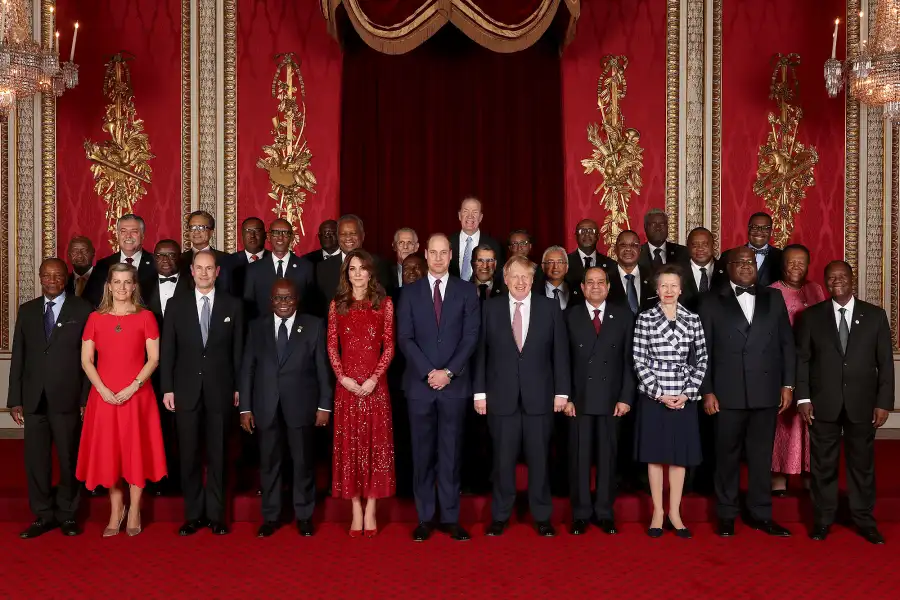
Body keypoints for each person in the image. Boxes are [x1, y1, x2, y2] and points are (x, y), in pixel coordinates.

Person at [699, 246, 795, 538]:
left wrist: (788, 384)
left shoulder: (773, 297)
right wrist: (707, 391)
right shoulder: (710, 301)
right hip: (727, 394)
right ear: (727, 268)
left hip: (765, 392)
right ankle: (727, 514)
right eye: (738, 262)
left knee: (760, 456)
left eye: (749, 262)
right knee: (726, 457)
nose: (745, 266)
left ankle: (760, 513)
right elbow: (701, 351)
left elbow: (787, 345)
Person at [796, 261, 894, 545]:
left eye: (841, 276)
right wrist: (803, 397)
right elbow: (802, 360)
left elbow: (885, 363)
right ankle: (823, 520)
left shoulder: (875, 316)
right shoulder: (811, 317)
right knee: (823, 466)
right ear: (825, 283)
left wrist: (883, 402)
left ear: (852, 280)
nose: (836, 281)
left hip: (863, 404)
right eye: (830, 278)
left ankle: (864, 519)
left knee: (861, 465)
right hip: (822, 403)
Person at [474, 255, 570, 537]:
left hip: (539, 398)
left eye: (525, 276)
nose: (519, 282)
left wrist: (561, 393)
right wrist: (479, 393)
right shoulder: (489, 309)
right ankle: (500, 516)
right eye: (514, 276)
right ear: (505, 279)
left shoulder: (549, 308)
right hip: (500, 398)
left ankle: (542, 516)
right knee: (503, 461)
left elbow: (560, 354)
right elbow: (481, 353)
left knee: (539, 460)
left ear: (532, 280)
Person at [397, 234, 480, 542]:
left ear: (451, 255)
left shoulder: (466, 291)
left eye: (443, 253)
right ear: (426, 254)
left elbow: (471, 337)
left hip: (453, 386)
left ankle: (450, 518)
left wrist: (447, 372)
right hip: (419, 387)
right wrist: (429, 372)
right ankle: (424, 518)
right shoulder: (409, 292)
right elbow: (405, 338)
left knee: (451, 454)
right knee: (422, 455)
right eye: (433, 252)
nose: (438, 258)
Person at [76, 263, 167, 537]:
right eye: (117, 282)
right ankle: (116, 510)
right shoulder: (95, 318)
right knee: (110, 454)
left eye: (127, 282)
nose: (122, 288)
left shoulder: (146, 317)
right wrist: (102, 389)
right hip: (103, 396)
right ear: (109, 286)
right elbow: (86, 360)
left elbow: (154, 358)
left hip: (137, 396)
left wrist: (134, 386)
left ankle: (135, 508)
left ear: (135, 286)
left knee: (135, 451)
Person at [239, 279, 333, 538]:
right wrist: (244, 408)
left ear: (297, 299)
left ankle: (304, 516)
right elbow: (248, 369)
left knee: (303, 463)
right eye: (278, 298)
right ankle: (270, 517)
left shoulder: (313, 326)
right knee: (269, 464)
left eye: (288, 298)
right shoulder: (256, 327)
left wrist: (325, 405)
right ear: (271, 301)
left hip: (302, 406)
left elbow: (323, 369)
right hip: (266, 406)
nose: (283, 303)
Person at [160, 251, 244, 536]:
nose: (205, 273)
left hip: (221, 390)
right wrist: (168, 388)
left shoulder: (234, 305)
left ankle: (217, 516)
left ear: (217, 272)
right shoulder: (176, 304)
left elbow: (239, 352)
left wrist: (238, 388)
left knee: (219, 454)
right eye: (200, 268)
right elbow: (167, 349)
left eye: (210, 268)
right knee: (189, 455)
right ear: (192, 272)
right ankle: (194, 515)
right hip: (185, 391)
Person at [9, 258, 93, 538]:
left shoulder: (82, 310)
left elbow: (91, 360)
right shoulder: (28, 310)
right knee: (36, 460)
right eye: (47, 275)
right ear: (40, 278)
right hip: (33, 400)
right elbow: (19, 357)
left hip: (68, 398)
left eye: (58, 275)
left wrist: (85, 398)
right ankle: (43, 515)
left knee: (69, 459)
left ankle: (68, 514)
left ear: (66, 278)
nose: (52, 280)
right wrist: (15, 399)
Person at [633, 264, 708, 538]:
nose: (668, 290)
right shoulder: (645, 319)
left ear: (681, 289)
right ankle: (657, 511)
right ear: (656, 289)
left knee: (679, 457)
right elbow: (639, 359)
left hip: (683, 394)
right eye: (663, 285)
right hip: (655, 395)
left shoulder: (693, 319)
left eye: (673, 285)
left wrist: (687, 393)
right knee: (655, 457)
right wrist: (658, 392)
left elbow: (702, 359)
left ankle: (675, 512)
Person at [327, 249, 396, 536]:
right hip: (347, 389)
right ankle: (355, 508)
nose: (357, 274)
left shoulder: (384, 304)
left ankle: (371, 509)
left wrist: (374, 378)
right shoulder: (337, 305)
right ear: (346, 273)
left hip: (375, 388)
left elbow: (390, 346)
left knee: (374, 448)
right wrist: (342, 378)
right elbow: (332, 346)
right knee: (351, 449)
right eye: (351, 269)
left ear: (371, 272)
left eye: (362, 268)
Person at [564, 266, 635, 536]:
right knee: (579, 458)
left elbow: (630, 361)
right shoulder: (569, 316)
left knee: (608, 458)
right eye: (590, 283)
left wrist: (626, 397)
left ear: (608, 286)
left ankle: (605, 512)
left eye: (600, 282)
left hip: (611, 400)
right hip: (578, 400)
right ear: (582, 287)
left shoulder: (624, 316)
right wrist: (566, 397)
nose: (595, 287)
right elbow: (562, 360)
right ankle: (581, 513)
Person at [768, 244, 826, 496]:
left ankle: (808, 476)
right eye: (791, 262)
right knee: (784, 422)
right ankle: (779, 479)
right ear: (782, 264)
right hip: (781, 365)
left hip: (813, 366)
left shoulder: (816, 289)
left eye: (801, 262)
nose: (796, 267)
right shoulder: (771, 292)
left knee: (811, 421)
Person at [144, 240, 192, 495]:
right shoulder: (141, 286)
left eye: (171, 255)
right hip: (148, 370)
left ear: (180, 259)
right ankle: (157, 476)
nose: (165, 259)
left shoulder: (193, 285)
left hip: (184, 367)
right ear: (153, 258)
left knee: (182, 427)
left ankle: (183, 478)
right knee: (155, 425)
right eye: (160, 255)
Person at [243, 218, 314, 322]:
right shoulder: (254, 269)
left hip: (297, 331)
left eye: (285, 233)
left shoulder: (306, 267)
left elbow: (311, 304)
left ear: (292, 237)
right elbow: (248, 307)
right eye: (276, 233)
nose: (280, 237)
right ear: (268, 236)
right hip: (263, 331)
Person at [315, 214, 390, 310]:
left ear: (363, 235)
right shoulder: (323, 268)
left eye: (353, 233)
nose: (348, 238)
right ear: (337, 237)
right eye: (343, 234)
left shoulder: (379, 264)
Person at [85, 214, 156, 307]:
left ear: (143, 235)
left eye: (134, 231)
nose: (128, 236)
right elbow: (93, 301)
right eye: (123, 231)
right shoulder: (103, 265)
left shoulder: (157, 263)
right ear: (117, 235)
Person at [721, 212, 782, 288]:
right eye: (754, 227)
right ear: (748, 229)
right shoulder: (728, 255)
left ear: (771, 232)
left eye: (765, 228)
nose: (759, 231)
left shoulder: (781, 257)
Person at [450, 196, 503, 279]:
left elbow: (497, 276)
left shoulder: (494, 245)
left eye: (475, 212)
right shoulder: (448, 242)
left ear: (481, 217)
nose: (470, 216)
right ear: (460, 215)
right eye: (465, 211)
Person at [180, 210, 232, 292]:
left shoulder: (226, 259)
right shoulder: (180, 260)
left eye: (201, 227)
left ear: (211, 233)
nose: (196, 232)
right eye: (192, 227)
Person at [607, 230, 657, 315]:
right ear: (615, 249)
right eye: (623, 245)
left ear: (640, 250)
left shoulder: (653, 276)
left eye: (634, 245)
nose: (628, 249)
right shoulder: (605, 278)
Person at [679, 227, 725, 311]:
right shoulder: (677, 272)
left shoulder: (726, 270)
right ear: (688, 247)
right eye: (695, 245)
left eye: (705, 244)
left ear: (713, 246)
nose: (700, 249)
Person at [565, 218, 616, 290]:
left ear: (598, 236)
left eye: (591, 231)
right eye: (582, 231)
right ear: (576, 236)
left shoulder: (611, 264)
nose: (586, 234)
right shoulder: (564, 263)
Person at [227, 216, 268, 300]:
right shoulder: (229, 262)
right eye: (248, 231)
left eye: (257, 231)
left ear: (265, 235)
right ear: (242, 236)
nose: (252, 235)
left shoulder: (275, 260)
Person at [542, 245, 581, 311]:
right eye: (550, 262)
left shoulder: (578, 291)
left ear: (567, 267)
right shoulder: (534, 291)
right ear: (543, 266)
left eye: (560, 262)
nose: (555, 267)